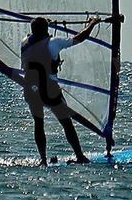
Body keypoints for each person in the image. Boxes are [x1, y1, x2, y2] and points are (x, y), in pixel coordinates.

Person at [19, 15, 111, 166]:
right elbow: (79, 38)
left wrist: (44, 25)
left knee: (38, 123)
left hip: (31, 89)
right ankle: (80, 156)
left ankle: (43, 160)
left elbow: (34, 35)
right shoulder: (53, 43)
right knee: (66, 123)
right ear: (45, 30)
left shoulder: (24, 42)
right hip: (49, 89)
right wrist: (92, 24)